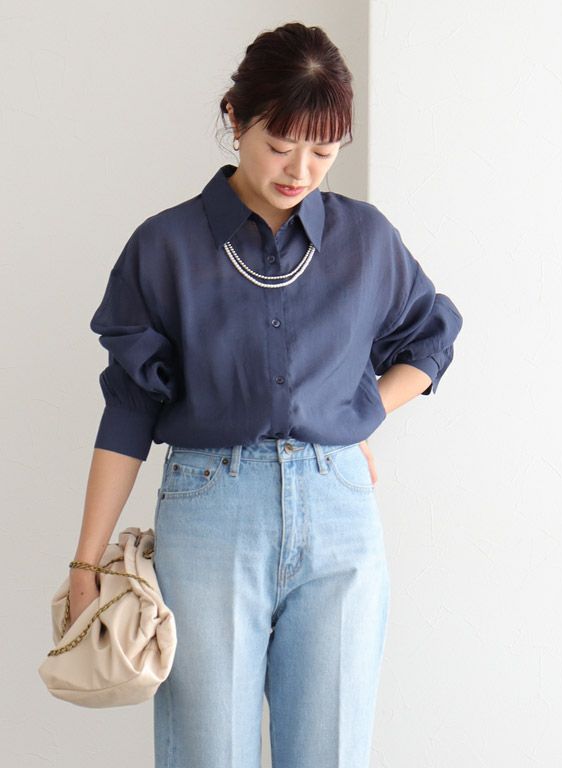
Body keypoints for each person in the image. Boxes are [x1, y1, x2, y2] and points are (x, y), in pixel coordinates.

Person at [70, 21, 463, 768]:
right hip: (211, 512)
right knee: (207, 753)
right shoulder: (164, 246)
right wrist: (85, 562)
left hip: (340, 511)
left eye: (324, 150)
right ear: (235, 118)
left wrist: (361, 414)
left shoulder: (366, 240)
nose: (301, 169)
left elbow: (430, 340)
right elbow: (128, 406)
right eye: (281, 145)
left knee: (331, 753)